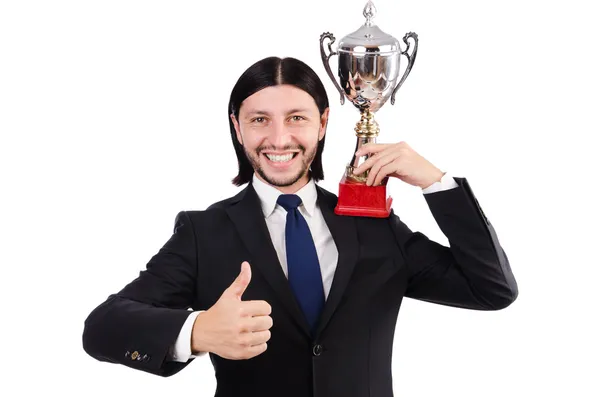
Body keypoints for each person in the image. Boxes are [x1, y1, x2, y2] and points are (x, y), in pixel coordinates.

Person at [82, 56, 518, 397]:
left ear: (323, 123)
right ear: (237, 128)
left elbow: (491, 289)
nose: (278, 138)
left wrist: (437, 183)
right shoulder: (204, 233)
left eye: (296, 117)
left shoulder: (375, 226)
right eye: (259, 120)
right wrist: (197, 332)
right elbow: (102, 327)